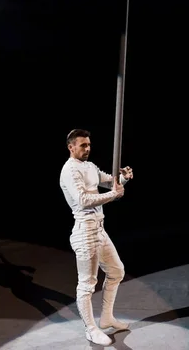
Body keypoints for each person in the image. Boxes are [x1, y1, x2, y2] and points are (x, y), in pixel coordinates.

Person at [59, 128, 133, 346]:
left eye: (89, 145)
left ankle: (107, 318)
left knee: (116, 271)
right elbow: (82, 200)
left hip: (99, 229)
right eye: (83, 145)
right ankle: (90, 329)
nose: (87, 148)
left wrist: (123, 179)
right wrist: (114, 195)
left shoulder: (89, 166)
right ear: (71, 147)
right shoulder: (69, 170)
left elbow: (110, 182)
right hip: (84, 232)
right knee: (87, 284)